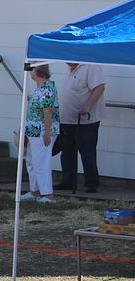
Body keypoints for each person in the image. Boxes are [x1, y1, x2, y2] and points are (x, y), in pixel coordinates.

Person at [55, 63, 105, 193]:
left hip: (86, 121)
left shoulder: (91, 66)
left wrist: (88, 106)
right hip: (66, 120)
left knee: (87, 153)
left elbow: (99, 87)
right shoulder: (68, 70)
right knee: (66, 152)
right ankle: (68, 181)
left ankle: (91, 183)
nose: (66, 62)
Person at [19, 65, 60, 203]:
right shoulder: (41, 88)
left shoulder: (47, 88)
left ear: (37, 71)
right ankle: (35, 191)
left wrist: (47, 132)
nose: (30, 72)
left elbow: (47, 110)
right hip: (34, 131)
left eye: (32, 69)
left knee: (42, 161)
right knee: (31, 161)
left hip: (42, 132)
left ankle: (48, 195)